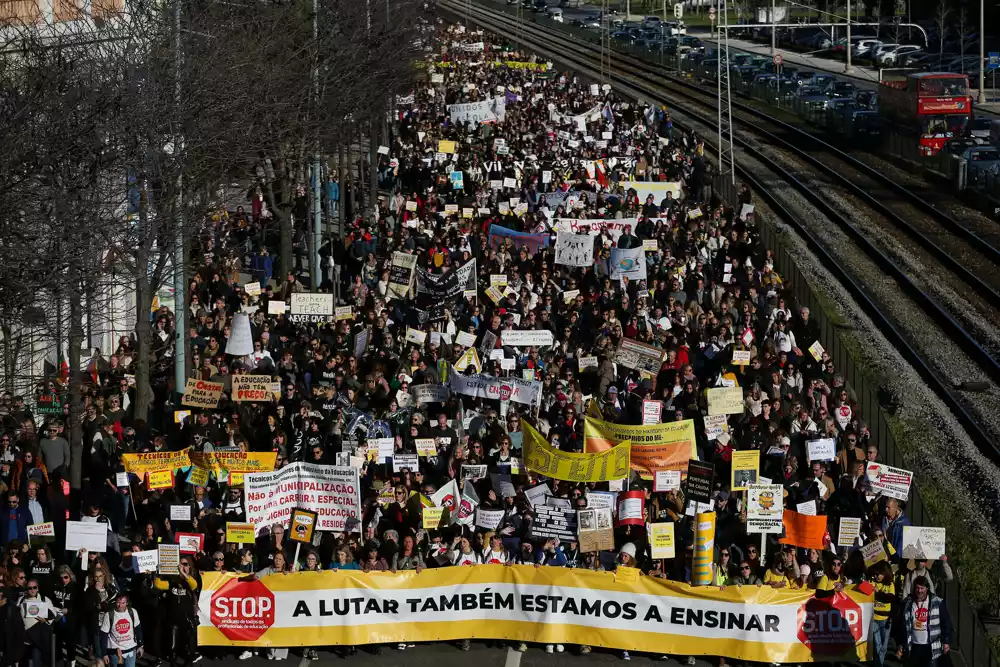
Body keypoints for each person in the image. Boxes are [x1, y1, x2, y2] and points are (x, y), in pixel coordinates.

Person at [897, 576, 952, 667]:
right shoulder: (907, 603)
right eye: (917, 588)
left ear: (927, 588)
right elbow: (902, 624)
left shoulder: (937, 602)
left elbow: (946, 622)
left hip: (931, 645)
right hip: (913, 645)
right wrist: (901, 643)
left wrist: (946, 641)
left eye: (922, 588)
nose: (919, 591)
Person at [99, 593, 144, 667]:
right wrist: (104, 653)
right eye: (118, 603)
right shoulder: (109, 615)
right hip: (114, 651)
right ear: (115, 602)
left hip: (130, 649)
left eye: (123, 603)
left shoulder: (132, 612)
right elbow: (104, 634)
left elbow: (138, 628)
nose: (120, 605)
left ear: (127, 603)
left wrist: (140, 645)